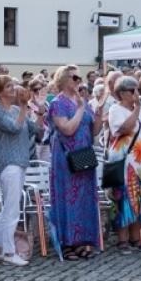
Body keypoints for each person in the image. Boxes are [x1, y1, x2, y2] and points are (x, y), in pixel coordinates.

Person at [47, 65, 102, 259]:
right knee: (67, 198)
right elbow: (67, 129)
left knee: (85, 199)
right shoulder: (57, 103)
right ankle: (67, 242)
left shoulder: (83, 101)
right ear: (63, 80)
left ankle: (83, 240)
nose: (78, 81)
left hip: (84, 154)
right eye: (74, 78)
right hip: (66, 157)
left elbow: (94, 131)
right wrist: (80, 109)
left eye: (79, 78)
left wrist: (99, 113)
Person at [105, 76, 141, 252]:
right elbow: (124, 129)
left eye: (137, 90)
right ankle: (122, 240)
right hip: (126, 162)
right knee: (125, 198)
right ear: (122, 93)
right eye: (133, 90)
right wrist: (138, 109)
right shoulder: (116, 109)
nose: (136, 94)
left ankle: (136, 238)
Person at [0, 75, 38, 266]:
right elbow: (15, 128)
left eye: (13, 86)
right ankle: (9, 252)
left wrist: (39, 113)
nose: (13, 89)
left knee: (10, 207)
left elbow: (32, 129)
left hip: (21, 161)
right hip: (9, 163)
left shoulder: (16, 109)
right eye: (9, 86)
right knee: (12, 209)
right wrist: (25, 107)